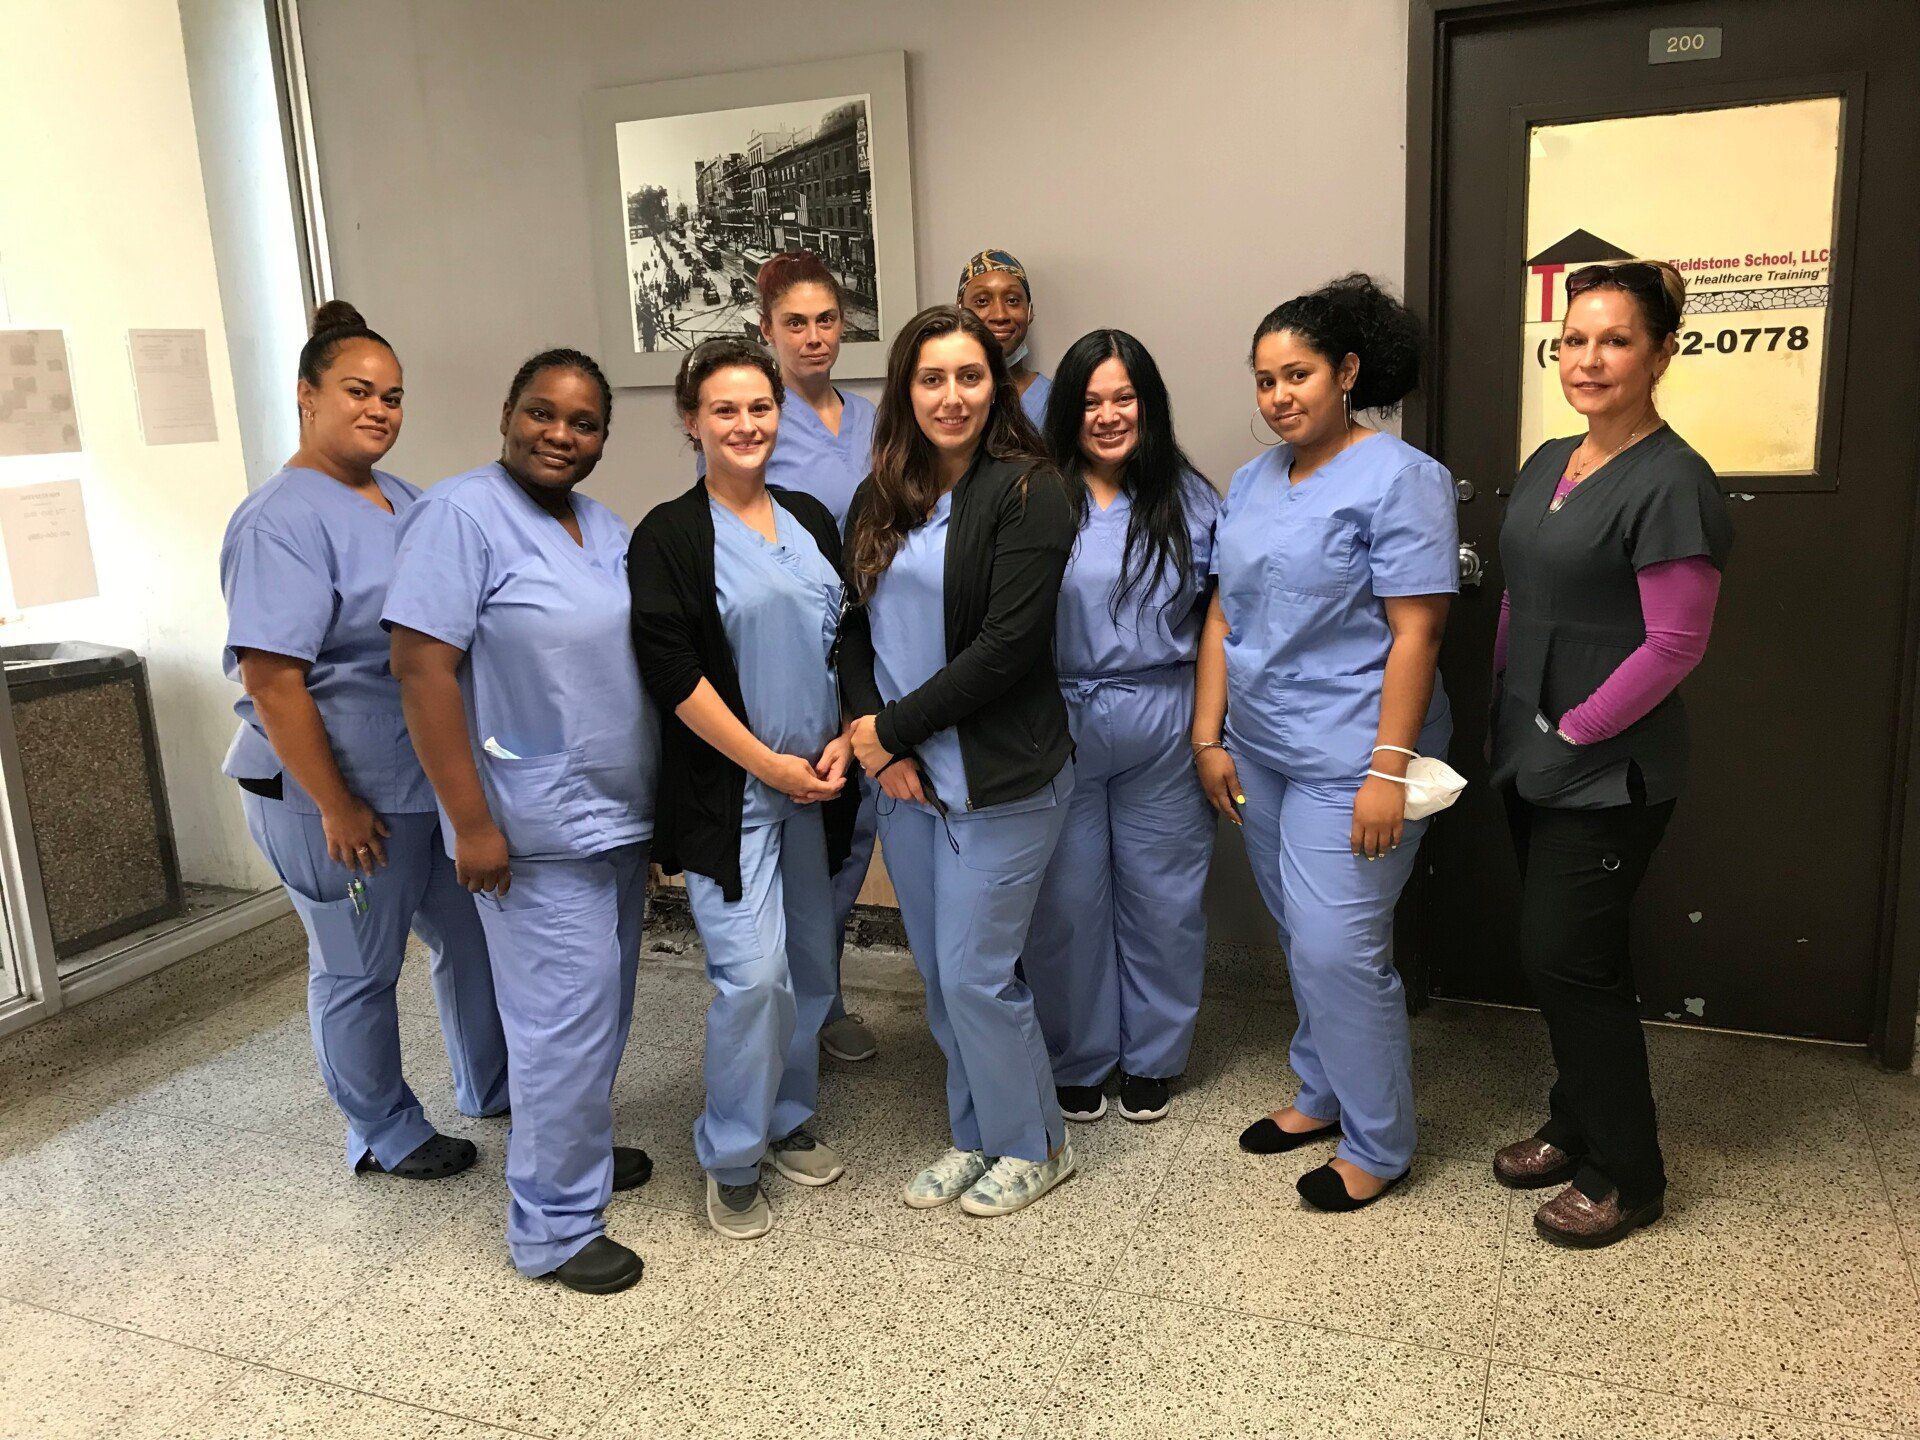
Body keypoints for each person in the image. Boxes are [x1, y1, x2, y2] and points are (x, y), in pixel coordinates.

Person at [385, 349, 660, 1295]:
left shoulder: (604, 526)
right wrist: (471, 824)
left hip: (613, 818)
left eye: (582, 424)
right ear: (508, 412)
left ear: (601, 440)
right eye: (542, 414)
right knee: (561, 1026)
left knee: (599, 1013)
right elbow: (421, 669)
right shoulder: (459, 517)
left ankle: (573, 1156)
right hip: (530, 827)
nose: (560, 435)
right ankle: (549, 1225)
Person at [219, 299, 508, 1183]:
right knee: (358, 967)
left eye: (393, 395)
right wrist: (337, 804)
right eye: (358, 391)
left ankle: (491, 1086)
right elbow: (273, 680)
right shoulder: (278, 520)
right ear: (307, 396)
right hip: (334, 797)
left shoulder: (407, 501)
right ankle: (384, 1131)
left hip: (420, 784)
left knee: (471, 940)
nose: (380, 409)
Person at [1195, 274, 1458, 1212]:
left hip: (1354, 752)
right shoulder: (1252, 480)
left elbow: (1418, 631)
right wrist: (1208, 733)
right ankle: (1319, 1093)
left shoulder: (1402, 478)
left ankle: (1379, 1143)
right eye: (1264, 380)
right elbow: (1225, 608)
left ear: (1347, 372)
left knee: (1339, 947)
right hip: (1260, 747)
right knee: (1303, 940)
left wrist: (1388, 768)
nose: (1279, 397)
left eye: (1297, 374)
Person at [1489, 259, 1732, 1249]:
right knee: (1574, 962)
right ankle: (1573, 1117)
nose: (1588, 359)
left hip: (1609, 771)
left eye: (1616, 339)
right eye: (1573, 340)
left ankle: (1627, 1172)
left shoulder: (1674, 482)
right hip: (1527, 749)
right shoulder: (1552, 458)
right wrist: (1510, 715)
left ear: (1662, 352)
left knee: (1566, 960)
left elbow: (1674, 644)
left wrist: (1571, 733)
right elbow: (1519, 593)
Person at [840, 304, 1079, 1217]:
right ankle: (976, 1133)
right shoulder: (883, 495)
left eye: (969, 377)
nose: (951, 396)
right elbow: (851, 630)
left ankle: (1036, 1143)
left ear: (997, 385)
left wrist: (887, 732)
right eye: (931, 378)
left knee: (980, 972)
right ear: (906, 388)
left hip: (1002, 778)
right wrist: (876, 735)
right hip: (907, 783)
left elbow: (1006, 648)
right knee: (942, 978)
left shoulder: (1030, 490)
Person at [631, 337, 859, 1241]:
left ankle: (787, 1115)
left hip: (820, 781)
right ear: (692, 421)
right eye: (724, 409)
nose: (746, 424)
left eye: (759, 408)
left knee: (809, 967)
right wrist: (769, 766)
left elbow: (846, 640)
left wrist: (844, 740)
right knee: (753, 978)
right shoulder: (670, 536)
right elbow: (672, 671)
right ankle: (730, 1152)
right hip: (737, 795)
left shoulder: (807, 515)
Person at [1022, 330, 1219, 1125]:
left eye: (1124, 397)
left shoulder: (1192, 498)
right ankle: (1078, 1056)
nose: (1109, 415)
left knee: (1165, 897)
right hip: (1057, 717)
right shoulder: (1032, 495)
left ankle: (1153, 1056)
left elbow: (1221, 621)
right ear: (1068, 410)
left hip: (1164, 718)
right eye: (1092, 400)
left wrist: (1210, 733)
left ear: (1149, 404)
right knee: (1065, 902)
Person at [705, 250, 881, 1064]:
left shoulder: (877, 418)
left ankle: (822, 996)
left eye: (826, 321)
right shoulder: (755, 420)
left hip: (877, 641)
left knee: (855, 833)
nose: (814, 338)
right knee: (816, 830)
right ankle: (820, 1005)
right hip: (794, 651)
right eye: (794, 324)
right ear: (767, 330)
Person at [958, 249, 1050, 428]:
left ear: (1030, 311)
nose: (1000, 315)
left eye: (1013, 300)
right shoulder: (946, 399)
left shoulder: (1055, 400)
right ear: (960, 311)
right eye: (982, 301)